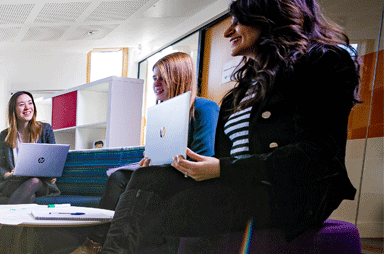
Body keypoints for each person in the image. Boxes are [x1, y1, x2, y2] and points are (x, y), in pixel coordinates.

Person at [101, 0, 359, 253]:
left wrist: (222, 169)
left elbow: (319, 156)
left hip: (287, 193)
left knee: (151, 210)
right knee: (146, 179)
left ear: (267, 18)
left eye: (238, 21)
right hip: (238, 184)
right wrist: (199, 168)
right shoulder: (243, 89)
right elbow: (224, 159)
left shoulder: (325, 62)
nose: (228, 31)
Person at [73, 52, 219, 254]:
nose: (156, 83)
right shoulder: (161, 114)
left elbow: (203, 155)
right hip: (164, 172)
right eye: (154, 78)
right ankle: (95, 243)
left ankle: (105, 248)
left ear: (178, 77)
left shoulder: (204, 107)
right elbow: (156, 151)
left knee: (141, 178)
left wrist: (165, 163)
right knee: (118, 177)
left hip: (190, 177)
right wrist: (149, 162)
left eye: (162, 78)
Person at [0, 91, 59, 204]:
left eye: (30, 103)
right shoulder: (4, 135)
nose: (27, 108)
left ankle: (3, 220)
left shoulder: (45, 129)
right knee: (29, 197)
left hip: (40, 183)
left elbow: (53, 159)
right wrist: (9, 174)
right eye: (21, 104)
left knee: (34, 181)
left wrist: (51, 174)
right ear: (14, 109)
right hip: (14, 182)